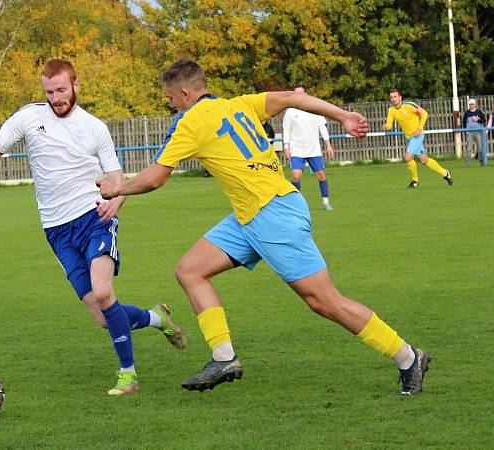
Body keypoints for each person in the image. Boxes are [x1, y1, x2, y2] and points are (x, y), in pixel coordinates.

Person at [97, 59, 431, 396]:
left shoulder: (190, 122)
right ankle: (223, 357)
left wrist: (117, 189)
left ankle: (407, 357)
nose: (172, 104)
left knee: (325, 302)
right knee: (190, 270)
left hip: (272, 215)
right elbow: (291, 97)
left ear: (185, 93)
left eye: (171, 98)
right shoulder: (240, 104)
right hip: (253, 214)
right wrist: (342, 115)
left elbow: (155, 177)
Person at [0, 59, 186, 396]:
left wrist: (117, 200)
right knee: (104, 317)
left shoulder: (95, 127)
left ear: (76, 85)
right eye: (49, 92)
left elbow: (116, 178)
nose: (56, 98)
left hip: (93, 217)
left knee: (103, 292)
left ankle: (128, 375)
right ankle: (157, 318)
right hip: (56, 230)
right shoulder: (29, 117)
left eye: (61, 90)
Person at [385, 89, 453, 188]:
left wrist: (419, 129)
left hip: (418, 136)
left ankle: (415, 181)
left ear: (400, 97)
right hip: (409, 138)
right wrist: (386, 126)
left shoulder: (409, 105)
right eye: (391, 97)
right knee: (424, 160)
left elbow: (424, 114)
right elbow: (389, 126)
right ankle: (446, 173)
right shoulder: (391, 110)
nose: (393, 99)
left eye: (395, 97)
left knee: (408, 157)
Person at [283, 84, 335, 210]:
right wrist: (286, 147)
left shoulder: (315, 109)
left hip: (314, 150)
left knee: (321, 175)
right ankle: (296, 203)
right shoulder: (290, 111)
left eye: (301, 93)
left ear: (305, 94)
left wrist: (328, 144)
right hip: (297, 150)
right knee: (296, 176)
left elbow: (322, 127)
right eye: (296, 93)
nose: (299, 95)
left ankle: (326, 202)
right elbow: (286, 130)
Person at [463, 99, 487, 165]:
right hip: (469, 133)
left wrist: (477, 120)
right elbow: (464, 123)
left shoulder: (479, 112)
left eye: (472, 104)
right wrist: (466, 131)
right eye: (470, 104)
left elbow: (484, 121)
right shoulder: (467, 113)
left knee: (479, 148)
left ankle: (481, 161)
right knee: (469, 148)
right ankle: (468, 163)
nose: (471, 105)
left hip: (478, 132)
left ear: (475, 104)